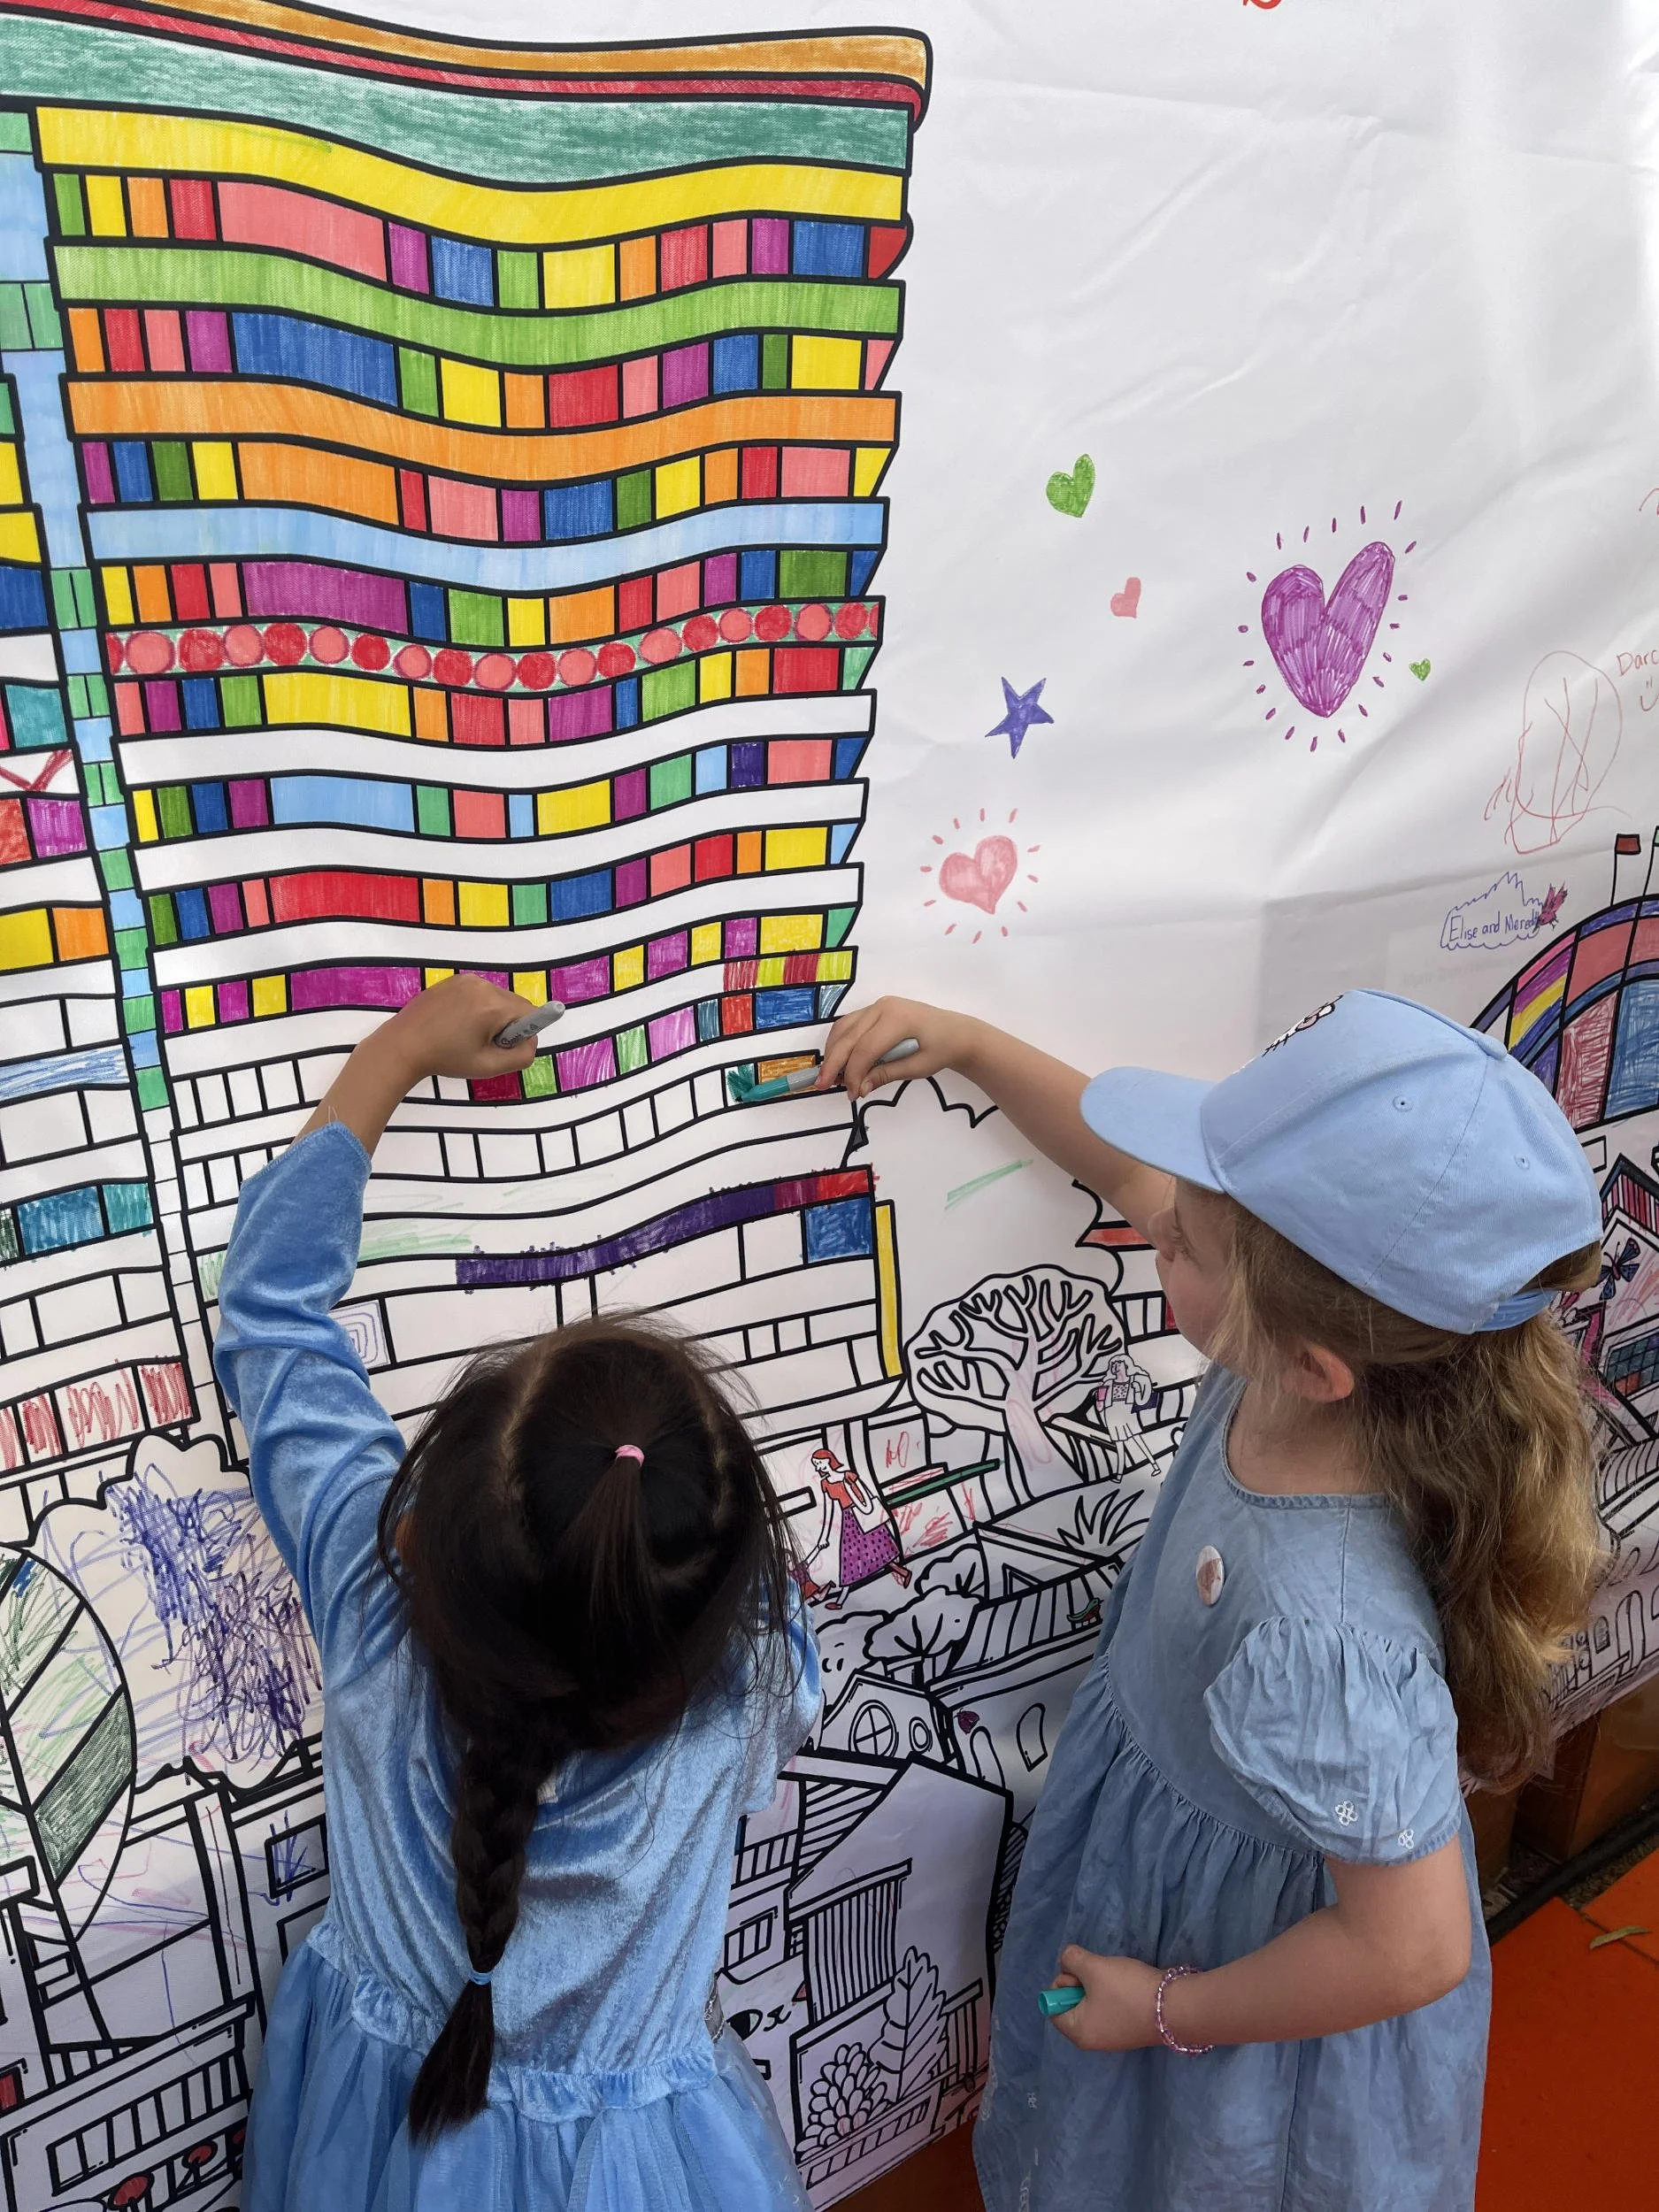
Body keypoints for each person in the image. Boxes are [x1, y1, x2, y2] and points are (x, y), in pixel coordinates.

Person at [818, 988, 1604, 2212]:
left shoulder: (1322, 1624)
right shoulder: (1302, 1346)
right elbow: (1129, 1166)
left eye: (1181, 1237)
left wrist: (1169, 2010)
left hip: (1247, 1999)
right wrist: (970, 1044)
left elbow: (1411, 1948)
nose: (1152, 1230)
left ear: (1313, 1361)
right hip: (1177, 1903)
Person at [217, 975, 820, 2212]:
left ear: (423, 1524)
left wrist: (391, 1057)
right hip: (640, 2176)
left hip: (375, 2142)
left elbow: (271, 1315)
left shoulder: (366, 1593)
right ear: (723, 1589)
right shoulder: (755, 1681)